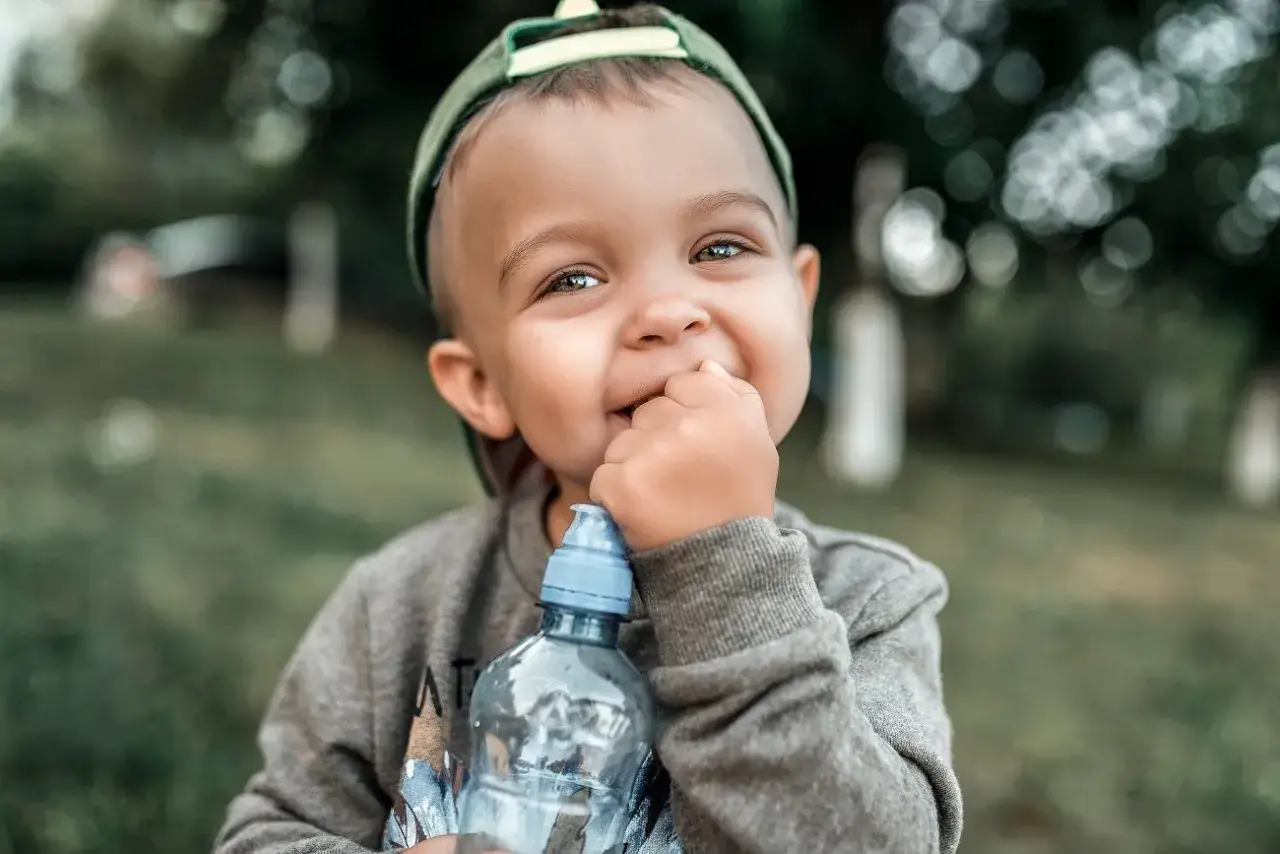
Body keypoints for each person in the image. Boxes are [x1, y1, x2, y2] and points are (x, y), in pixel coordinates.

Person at [212, 2, 963, 852]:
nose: (668, 312)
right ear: (482, 385)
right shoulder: (402, 609)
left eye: (720, 248)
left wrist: (724, 566)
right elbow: (272, 830)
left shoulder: (867, 603)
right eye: (571, 277)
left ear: (801, 295)